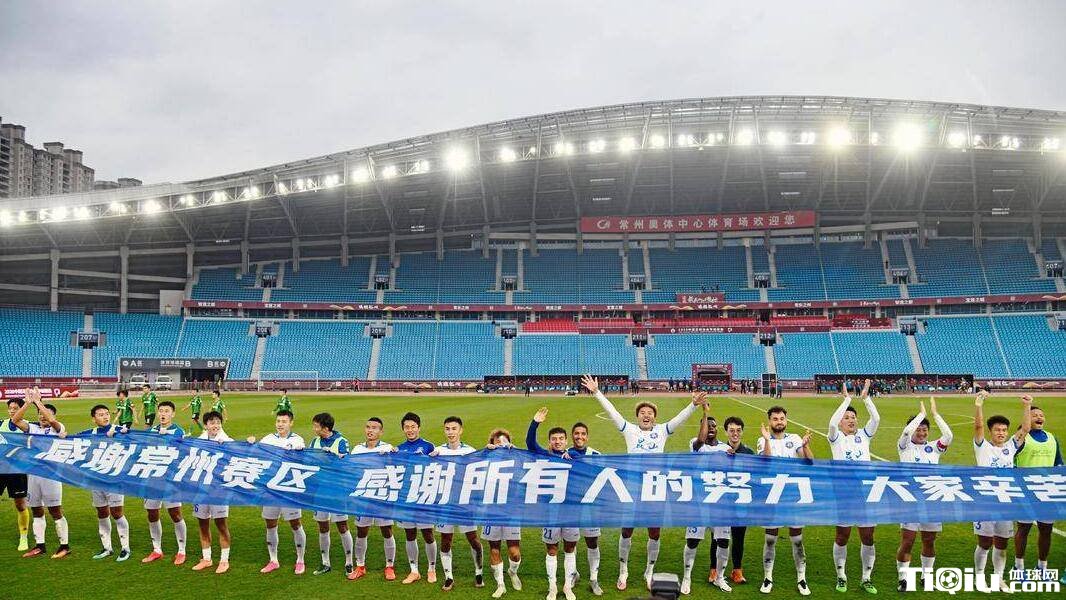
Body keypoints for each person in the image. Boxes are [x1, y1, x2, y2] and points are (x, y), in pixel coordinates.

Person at [582, 374, 703, 591]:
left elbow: (679, 419)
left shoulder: (662, 431)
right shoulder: (629, 430)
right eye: (642, 413)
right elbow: (613, 412)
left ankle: (649, 571)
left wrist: (693, 405)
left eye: (650, 413)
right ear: (637, 417)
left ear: (655, 418)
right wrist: (597, 392)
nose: (646, 416)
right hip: (632, 488)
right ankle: (623, 570)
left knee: (654, 532)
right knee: (626, 530)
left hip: (655, 488)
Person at [973, 392, 1031, 593]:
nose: (1001, 433)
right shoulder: (982, 447)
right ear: (990, 431)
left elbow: (1025, 429)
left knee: (1002, 543)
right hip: (984, 501)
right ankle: (979, 577)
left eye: (1004, 430)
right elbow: (978, 427)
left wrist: (1027, 406)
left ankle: (998, 578)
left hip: (1005, 501)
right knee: (984, 542)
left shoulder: (1010, 447)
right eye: (997, 430)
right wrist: (979, 405)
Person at [826, 379, 879, 595]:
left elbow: (876, 419)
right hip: (844, 495)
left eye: (853, 417)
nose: (851, 420)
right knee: (842, 536)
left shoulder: (864, 437)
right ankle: (841, 576)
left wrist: (866, 399)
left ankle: (866, 578)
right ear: (841, 422)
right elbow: (831, 424)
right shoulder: (836, 438)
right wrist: (846, 400)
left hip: (866, 494)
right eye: (846, 418)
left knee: (868, 536)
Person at [895, 397, 953, 591]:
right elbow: (906, 432)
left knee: (929, 541)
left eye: (924, 429)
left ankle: (926, 578)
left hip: (932, 501)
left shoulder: (934, 447)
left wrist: (935, 414)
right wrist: (921, 415)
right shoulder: (904, 446)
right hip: (910, 501)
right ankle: (903, 579)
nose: (921, 433)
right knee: (908, 541)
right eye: (918, 429)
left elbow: (949, 435)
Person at [757, 405, 814, 596]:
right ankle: (768, 577)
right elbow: (765, 463)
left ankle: (801, 578)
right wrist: (767, 440)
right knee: (770, 539)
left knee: (797, 539)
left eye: (781, 418)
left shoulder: (795, 439)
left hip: (792, 496)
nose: (779, 422)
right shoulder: (762, 440)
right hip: (772, 496)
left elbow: (809, 462)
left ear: (786, 420)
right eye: (775, 419)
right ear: (770, 421)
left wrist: (805, 446)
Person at [10, 388, 71, 559]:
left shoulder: (58, 429)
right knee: (36, 510)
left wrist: (38, 402)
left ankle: (64, 546)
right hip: (33, 475)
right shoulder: (33, 428)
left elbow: (51, 420)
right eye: (40, 414)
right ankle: (40, 546)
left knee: (55, 511)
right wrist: (28, 403)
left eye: (46, 413)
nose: (43, 416)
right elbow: (15, 421)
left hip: (51, 475)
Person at [247, 409, 307, 574]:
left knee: (295, 524)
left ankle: (300, 560)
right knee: (270, 524)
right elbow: (256, 455)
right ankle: (273, 560)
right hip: (270, 490)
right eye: (278, 421)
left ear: (291, 423)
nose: (280, 424)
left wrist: (297, 450)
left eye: (284, 421)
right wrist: (251, 443)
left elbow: (302, 459)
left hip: (288, 490)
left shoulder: (297, 440)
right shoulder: (268, 439)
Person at [527, 408, 577, 600]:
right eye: (554, 439)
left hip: (571, 511)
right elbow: (530, 443)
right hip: (550, 512)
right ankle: (552, 587)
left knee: (570, 549)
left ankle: (567, 586)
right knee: (552, 549)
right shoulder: (544, 455)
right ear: (550, 441)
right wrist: (535, 423)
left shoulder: (574, 456)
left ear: (566, 441)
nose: (557, 441)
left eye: (561, 439)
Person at [682, 404, 732, 594]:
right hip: (699, 502)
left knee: (723, 542)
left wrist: (733, 457)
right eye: (706, 425)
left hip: (720, 503)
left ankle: (720, 577)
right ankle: (687, 577)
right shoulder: (696, 444)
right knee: (692, 541)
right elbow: (701, 440)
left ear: (718, 429)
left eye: (713, 425)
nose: (710, 428)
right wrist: (705, 413)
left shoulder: (726, 448)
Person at [431, 416, 484, 591]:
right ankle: (449, 577)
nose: (450, 432)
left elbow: (481, 473)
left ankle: (479, 572)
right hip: (445, 503)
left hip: (464, 503)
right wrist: (430, 460)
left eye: (454, 429)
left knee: (473, 539)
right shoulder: (438, 451)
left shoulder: (470, 451)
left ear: (461, 430)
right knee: (446, 540)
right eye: (447, 429)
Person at [1013, 402, 1062, 575]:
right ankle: (1019, 565)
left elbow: (1058, 464)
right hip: (1026, 491)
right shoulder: (1021, 438)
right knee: (1023, 528)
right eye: (1034, 415)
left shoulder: (1052, 438)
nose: (1039, 417)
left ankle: (1042, 566)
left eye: (1041, 415)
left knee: (1046, 529)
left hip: (1047, 492)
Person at [79, 404, 132, 561]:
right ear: (94, 419)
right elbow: (70, 439)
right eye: (100, 414)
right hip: (96, 480)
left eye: (107, 414)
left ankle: (125, 548)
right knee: (102, 513)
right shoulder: (90, 433)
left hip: (114, 480)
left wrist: (122, 435)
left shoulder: (119, 430)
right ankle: (107, 547)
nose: (105, 416)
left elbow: (133, 440)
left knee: (117, 513)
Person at [348, 417, 397, 581]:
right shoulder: (357, 449)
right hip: (363, 497)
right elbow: (351, 470)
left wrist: (390, 457)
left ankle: (389, 566)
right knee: (361, 531)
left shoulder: (387, 448)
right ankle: (360, 566)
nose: (370, 430)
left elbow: (397, 469)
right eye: (368, 427)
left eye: (374, 428)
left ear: (381, 432)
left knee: (387, 531)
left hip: (382, 497)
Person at [307, 411, 355, 577]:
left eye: (316, 426)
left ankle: (349, 562)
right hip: (320, 490)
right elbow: (308, 461)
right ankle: (325, 562)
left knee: (342, 526)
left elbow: (347, 463)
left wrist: (333, 457)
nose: (314, 429)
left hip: (337, 489)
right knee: (322, 526)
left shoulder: (341, 441)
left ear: (325, 428)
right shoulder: (314, 441)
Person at [142, 400, 189, 565]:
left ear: (173, 414)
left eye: (166, 411)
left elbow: (181, 451)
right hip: (152, 479)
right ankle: (157, 549)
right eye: (161, 411)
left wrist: (164, 437)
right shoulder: (151, 431)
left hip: (170, 480)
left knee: (175, 513)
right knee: (152, 513)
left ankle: (181, 551)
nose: (163, 414)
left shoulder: (178, 431)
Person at [394, 411, 439, 584]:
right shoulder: (398, 448)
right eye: (407, 427)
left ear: (419, 428)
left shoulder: (428, 446)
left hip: (424, 496)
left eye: (413, 426)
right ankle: (414, 571)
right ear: (403, 429)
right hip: (407, 497)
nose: (410, 430)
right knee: (410, 534)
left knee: (428, 533)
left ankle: (431, 569)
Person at [192, 411, 234, 573]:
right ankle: (207, 558)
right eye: (211, 422)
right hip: (201, 489)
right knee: (202, 524)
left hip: (219, 490)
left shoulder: (228, 442)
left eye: (217, 422)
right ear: (206, 425)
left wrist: (249, 442)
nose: (215, 425)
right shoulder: (198, 442)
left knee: (221, 524)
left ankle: (224, 560)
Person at [483, 428, 523, 598]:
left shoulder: (516, 460)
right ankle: (500, 584)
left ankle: (512, 572)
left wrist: (515, 452)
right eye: (497, 442)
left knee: (514, 552)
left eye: (504, 442)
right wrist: (486, 452)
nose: (501, 444)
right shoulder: (486, 460)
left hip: (511, 511)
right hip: (491, 511)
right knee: (494, 549)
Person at [721, 416, 755, 585]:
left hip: (741, 502)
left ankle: (737, 570)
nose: (735, 433)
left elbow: (756, 475)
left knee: (738, 537)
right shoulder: (719, 451)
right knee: (719, 537)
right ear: (726, 432)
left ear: (742, 432)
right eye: (732, 430)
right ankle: (715, 570)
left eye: (738, 430)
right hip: (721, 501)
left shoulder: (749, 453)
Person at [1, 398, 32, 551]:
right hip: (1, 469)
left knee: (20, 505)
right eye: (10, 408)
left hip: (17, 470)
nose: (12, 410)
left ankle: (23, 537)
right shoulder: (1, 424)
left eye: (16, 408)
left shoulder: (28, 426)